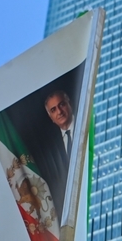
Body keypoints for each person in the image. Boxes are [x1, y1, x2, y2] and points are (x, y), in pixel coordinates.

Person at [41, 89, 75, 221]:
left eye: (62, 104)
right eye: (53, 110)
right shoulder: (51, 147)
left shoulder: (87, 123)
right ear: (50, 117)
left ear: (69, 103)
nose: (59, 112)